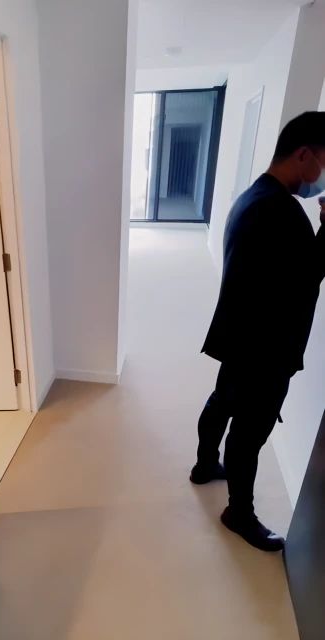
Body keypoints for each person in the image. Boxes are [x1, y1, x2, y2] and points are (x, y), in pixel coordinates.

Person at [190, 111, 325, 552]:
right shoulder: (282, 211)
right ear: (304, 155)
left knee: (222, 401)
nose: (322, 177)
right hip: (265, 347)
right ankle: (238, 513)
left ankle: (205, 464)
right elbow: (309, 276)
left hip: (239, 333)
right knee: (249, 434)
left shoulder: (254, 195)